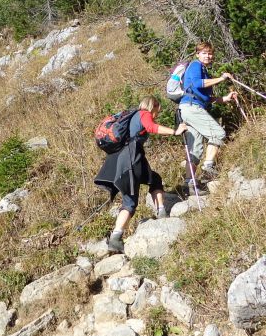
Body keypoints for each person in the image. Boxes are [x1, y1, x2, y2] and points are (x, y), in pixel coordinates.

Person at [94, 96, 187, 255]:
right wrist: (175, 131)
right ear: (154, 106)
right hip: (131, 159)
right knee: (130, 201)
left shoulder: (133, 116)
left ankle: (161, 211)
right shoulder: (144, 114)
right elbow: (151, 127)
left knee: (154, 179)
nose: (158, 112)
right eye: (158, 109)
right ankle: (116, 238)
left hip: (127, 158)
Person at [177, 42, 237, 181]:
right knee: (218, 133)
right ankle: (208, 166)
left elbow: (205, 98)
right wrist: (221, 79)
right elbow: (198, 83)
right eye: (204, 53)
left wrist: (224, 99)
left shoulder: (203, 70)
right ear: (197, 54)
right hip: (192, 108)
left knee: (196, 149)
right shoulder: (196, 65)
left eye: (210, 53)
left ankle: (189, 182)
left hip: (188, 108)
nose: (207, 56)